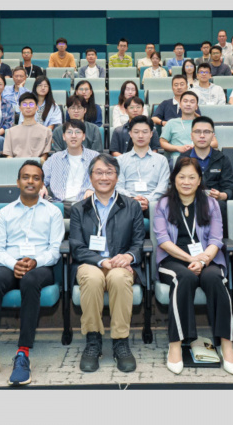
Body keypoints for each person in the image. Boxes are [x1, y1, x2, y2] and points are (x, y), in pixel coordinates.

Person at [0, 161, 64, 387]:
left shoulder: (53, 212)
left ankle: (23, 354)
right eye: (26, 177)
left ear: (42, 183)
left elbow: (54, 250)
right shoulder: (5, 212)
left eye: (36, 178)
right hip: (10, 264)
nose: (31, 181)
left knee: (30, 281)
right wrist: (14, 264)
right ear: (18, 181)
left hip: (41, 267)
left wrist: (35, 261)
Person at [154, 157, 233, 375]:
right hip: (173, 259)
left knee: (214, 279)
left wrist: (202, 260)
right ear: (174, 179)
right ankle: (176, 344)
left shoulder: (211, 204)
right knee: (185, 278)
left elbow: (217, 239)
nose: (186, 181)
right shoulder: (163, 204)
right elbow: (163, 240)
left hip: (207, 258)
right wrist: (191, 260)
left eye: (192, 177)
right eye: (181, 177)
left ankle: (227, 344)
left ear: (200, 179)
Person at [69, 154, 144, 373]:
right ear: (90, 177)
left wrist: (129, 256)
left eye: (109, 172)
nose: (104, 177)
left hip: (121, 265)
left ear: (117, 177)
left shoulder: (132, 206)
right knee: (92, 279)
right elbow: (76, 246)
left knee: (119, 278)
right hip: (90, 263)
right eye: (99, 172)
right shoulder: (79, 209)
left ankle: (120, 341)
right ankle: (93, 341)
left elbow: (139, 242)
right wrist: (102, 261)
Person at [177, 116, 233, 228]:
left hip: (216, 202)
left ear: (213, 136)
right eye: (197, 132)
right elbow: (176, 184)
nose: (202, 136)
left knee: (221, 206)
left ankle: (220, 243)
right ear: (191, 135)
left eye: (207, 132)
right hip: (188, 200)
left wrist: (221, 195)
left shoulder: (222, 159)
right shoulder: (183, 158)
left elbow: (229, 186)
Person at [117, 116, 170, 211]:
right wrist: (133, 200)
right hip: (127, 204)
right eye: (136, 132)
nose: (140, 136)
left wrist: (147, 200)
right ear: (130, 134)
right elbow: (118, 186)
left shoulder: (161, 160)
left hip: (153, 204)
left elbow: (163, 186)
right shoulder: (120, 160)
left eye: (145, 132)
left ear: (151, 134)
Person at [43, 121, 99, 211]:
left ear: (84, 136)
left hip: (86, 204)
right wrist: (41, 186)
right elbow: (42, 178)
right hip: (58, 205)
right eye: (69, 132)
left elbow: (102, 178)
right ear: (64, 137)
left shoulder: (95, 157)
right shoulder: (54, 159)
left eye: (78, 132)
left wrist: (92, 189)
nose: (73, 136)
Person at [160, 91, 216, 162]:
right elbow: (162, 143)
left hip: (199, 158)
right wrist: (178, 148)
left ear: (196, 107)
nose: (188, 104)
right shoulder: (171, 123)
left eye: (192, 102)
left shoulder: (203, 123)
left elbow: (215, 143)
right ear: (180, 105)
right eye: (185, 101)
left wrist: (196, 147)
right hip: (178, 160)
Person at [3, 92, 52, 161]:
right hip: (16, 166)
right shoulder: (11, 132)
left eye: (31, 104)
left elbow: (45, 155)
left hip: (37, 167)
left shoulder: (46, 131)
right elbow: (8, 155)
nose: (28, 107)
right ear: (20, 108)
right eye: (24, 104)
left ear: (37, 107)